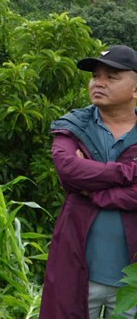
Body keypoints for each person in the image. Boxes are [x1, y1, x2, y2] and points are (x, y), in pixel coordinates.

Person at [40, 45, 137, 319]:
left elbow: (83, 177)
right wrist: (129, 172)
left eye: (112, 76)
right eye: (96, 76)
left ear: (136, 89)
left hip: (132, 279)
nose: (99, 82)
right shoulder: (74, 125)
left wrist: (95, 193)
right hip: (77, 269)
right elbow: (69, 170)